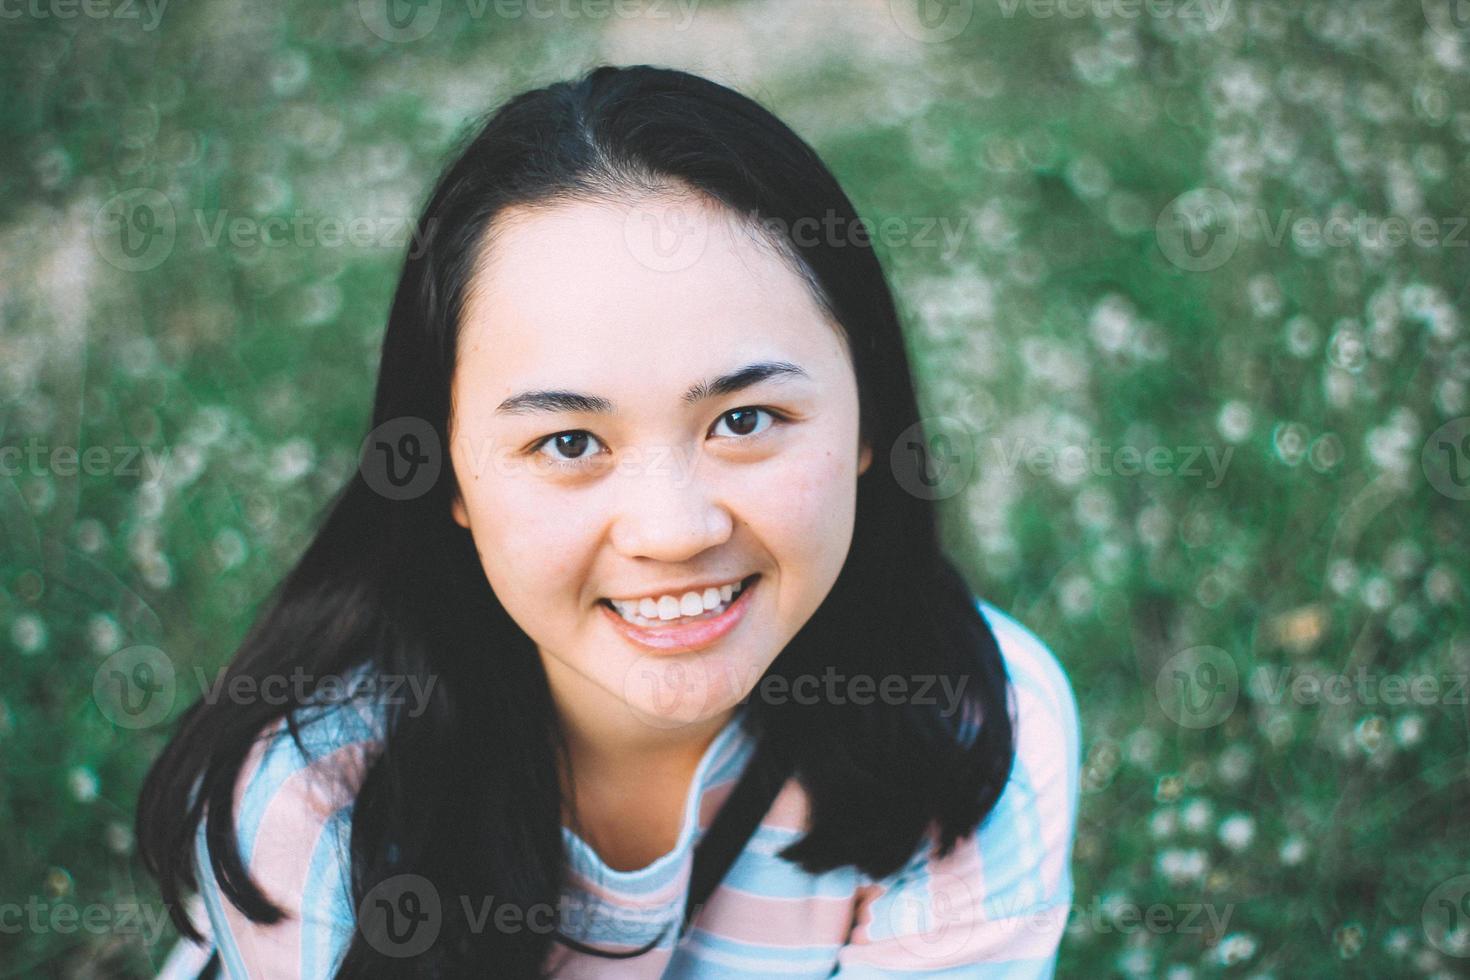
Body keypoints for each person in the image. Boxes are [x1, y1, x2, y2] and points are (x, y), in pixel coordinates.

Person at [138, 64, 1081, 978]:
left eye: (743, 421)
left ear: (871, 418)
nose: (672, 531)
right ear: (447, 476)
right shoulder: (317, 797)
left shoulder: (975, 733)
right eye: (569, 444)